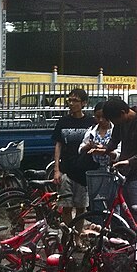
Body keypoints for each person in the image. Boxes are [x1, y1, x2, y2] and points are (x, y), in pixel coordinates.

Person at [103, 98, 137, 208]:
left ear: (123, 113)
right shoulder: (121, 122)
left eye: (115, 121)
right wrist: (104, 150)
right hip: (123, 173)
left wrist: (130, 161)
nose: (115, 124)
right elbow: (114, 140)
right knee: (124, 212)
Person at [52, 88, 95, 225]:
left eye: (75, 100)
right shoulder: (63, 122)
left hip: (83, 172)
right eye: (69, 100)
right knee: (66, 207)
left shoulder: (91, 122)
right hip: (66, 171)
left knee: (81, 208)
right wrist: (56, 170)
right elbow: (58, 145)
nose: (71, 103)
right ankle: (68, 236)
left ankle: (77, 237)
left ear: (84, 103)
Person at [79, 102, 114, 168]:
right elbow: (80, 149)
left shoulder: (116, 130)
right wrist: (88, 146)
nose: (101, 120)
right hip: (93, 169)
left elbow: (119, 153)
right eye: (97, 117)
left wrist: (106, 151)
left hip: (112, 169)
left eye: (104, 117)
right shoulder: (91, 130)